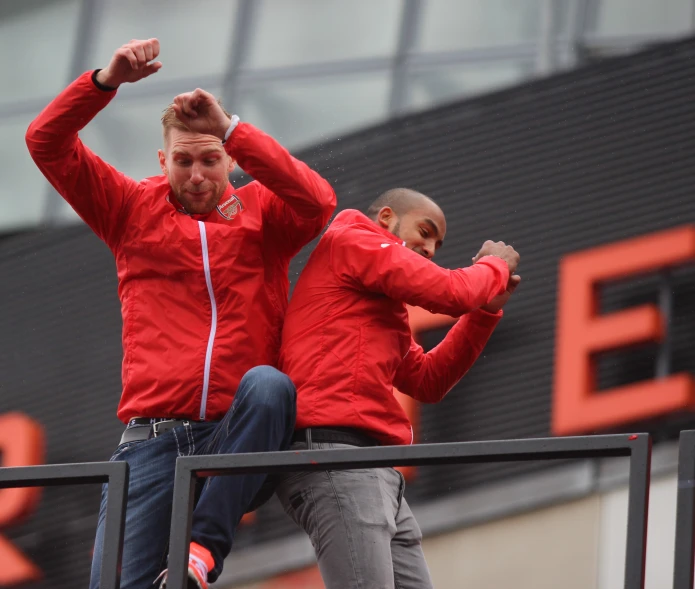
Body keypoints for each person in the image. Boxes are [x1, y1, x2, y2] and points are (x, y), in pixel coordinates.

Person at [25, 38, 336, 589]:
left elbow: (318, 202)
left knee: (270, 386)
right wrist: (106, 80)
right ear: (163, 161)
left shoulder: (262, 216)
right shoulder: (126, 209)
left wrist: (232, 125)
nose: (197, 175)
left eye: (211, 159)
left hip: (235, 432)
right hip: (153, 441)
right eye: (185, 161)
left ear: (231, 160)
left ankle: (200, 552)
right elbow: (46, 142)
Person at [275, 188, 520, 589]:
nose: (430, 249)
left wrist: (485, 311)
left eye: (438, 244)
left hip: (369, 466)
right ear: (386, 218)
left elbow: (427, 380)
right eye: (424, 232)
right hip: (337, 457)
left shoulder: (374, 306)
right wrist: (494, 265)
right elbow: (451, 291)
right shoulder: (352, 239)